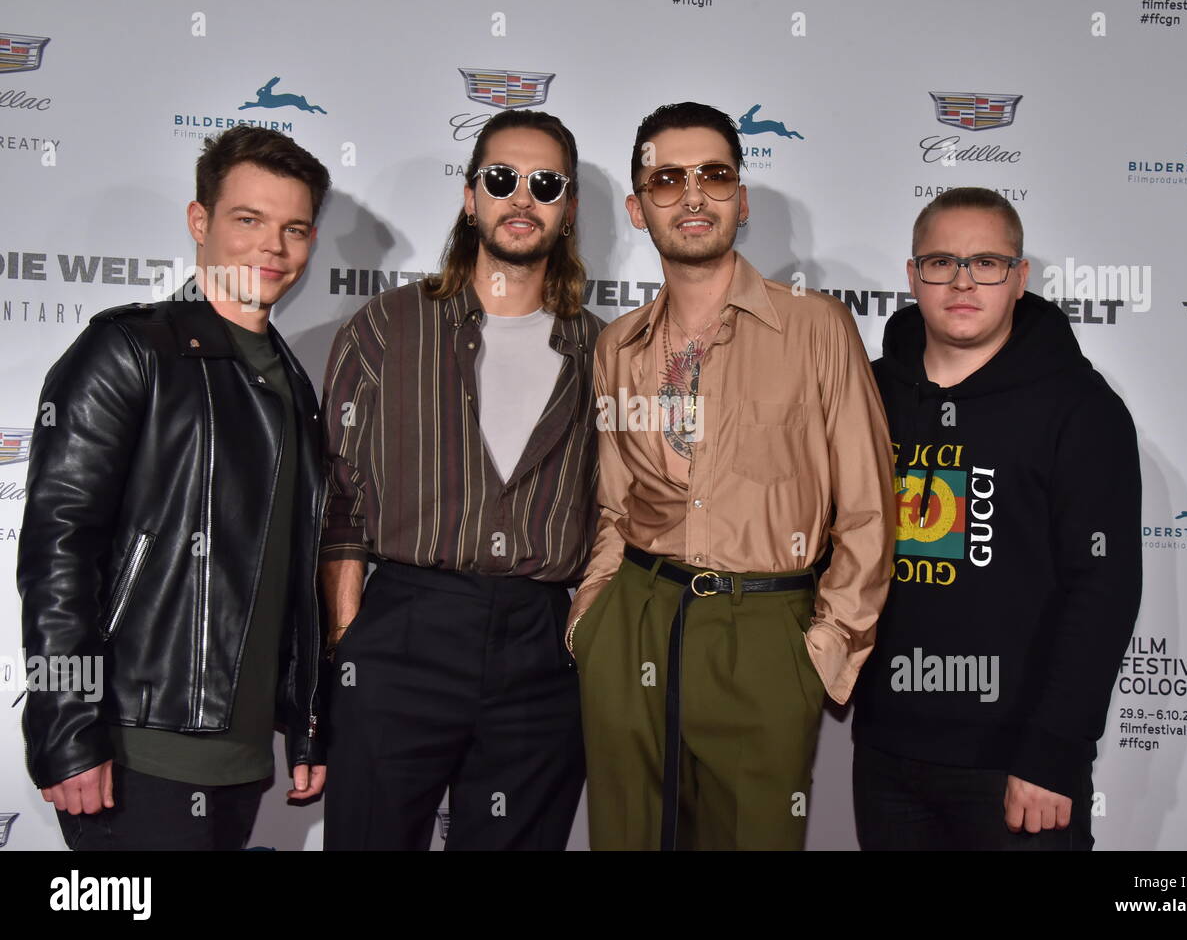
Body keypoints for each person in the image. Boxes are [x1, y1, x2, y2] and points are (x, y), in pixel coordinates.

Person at [567, 102, 894, 850]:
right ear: (637, 207)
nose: (692, 196)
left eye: (714, 175)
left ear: (741, 200)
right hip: (634, 626)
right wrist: (592, 621)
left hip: (766, 636)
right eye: (667, 178)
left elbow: (870, 510)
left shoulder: (816, 326)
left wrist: (820, 652)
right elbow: (612, 506)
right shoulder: (617, 346)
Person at [18, 125, 332, 850]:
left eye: (293, 229)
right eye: (247, 220)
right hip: (137, 749)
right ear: (201, 222)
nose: (272, 249)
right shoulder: (130, 349)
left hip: (243, 758)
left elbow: (291, 576)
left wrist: (309, 721)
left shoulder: (293, 383)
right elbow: (58, 549)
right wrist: (68, 726)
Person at [320, 109, 602, 850]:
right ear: (470, 196)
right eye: (501, 178)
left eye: (546, 184)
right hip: (404, 627)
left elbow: (620, 509)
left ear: (568, 209)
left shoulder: (606, 349)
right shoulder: (386, 327)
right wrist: (351, 639)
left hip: (543, 645)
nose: (521, 198)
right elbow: (339, 497)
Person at [851, 187, 1142, 850]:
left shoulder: (1081, 407)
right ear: (912, 275)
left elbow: (1104, 592)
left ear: (1019, 278)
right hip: (886, 753)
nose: (962, 280)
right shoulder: (864, 394)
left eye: (986, 262)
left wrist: (1052, 753)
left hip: (1019, 763)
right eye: (941, 261)